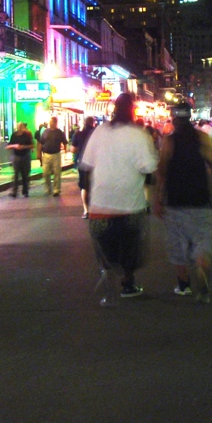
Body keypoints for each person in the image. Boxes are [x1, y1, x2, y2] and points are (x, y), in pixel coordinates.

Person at [80, 93, 159, 303]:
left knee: (106, 247)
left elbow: (86, 165)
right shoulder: (139, 135)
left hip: (100, 204)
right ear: (132, 110)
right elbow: (148, 167)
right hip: (129, 204)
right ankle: (128, 283)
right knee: (130, 246)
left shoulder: (100, 131)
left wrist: (89, 198)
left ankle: (108, 281)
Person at [155, 102, 212, 303]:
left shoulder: (169, 141)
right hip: (201, 196)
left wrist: (158, 199)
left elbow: (162, 171)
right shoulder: (202, 138)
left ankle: (183, 284)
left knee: (177, 241)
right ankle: (201, 265)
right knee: (203, 237)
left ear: (175, 119)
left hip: (176, 197)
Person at [72, 116, 98, 218]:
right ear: (93, 123)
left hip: (83, 163)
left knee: (84, 187)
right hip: (95, 163)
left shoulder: (78, 134)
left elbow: (73, 150)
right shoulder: (97, 133)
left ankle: (86, 210)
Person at [39, 116, 68, 196]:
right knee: (45, 172)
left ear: (56, 123)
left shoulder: (59, 132)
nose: (51, 124)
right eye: (50, 122)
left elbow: (65, 142)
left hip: (56, 154)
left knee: (57, 172)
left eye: (53, 122)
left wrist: (65, 152)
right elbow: (41, 142)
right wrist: (39, 153)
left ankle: (56, 189)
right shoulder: (45, 132)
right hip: (46, 154)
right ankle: (48, 188)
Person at [8, 122, 34, 197]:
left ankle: (25, 191)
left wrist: (23, 147)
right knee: (16, 174)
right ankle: (14, 191)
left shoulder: (27, 135)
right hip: (16, 156)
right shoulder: (14, 135)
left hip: (25, 156)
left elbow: (31, 145)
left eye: (21, 126)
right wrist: (14, 146)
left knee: (25, 174)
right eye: (18, 127)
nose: (19, 128)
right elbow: (8, 146)